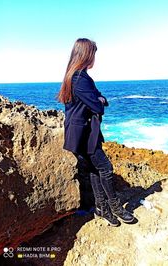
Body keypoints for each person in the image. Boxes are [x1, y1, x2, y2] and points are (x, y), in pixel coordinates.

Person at [57, 38, 134, 226]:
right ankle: (115, 208)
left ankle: (101, 208)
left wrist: (99, 99)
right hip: (84, 134)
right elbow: (97, 105)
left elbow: (99, 98)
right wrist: (98, 100)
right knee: (105, 168)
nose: (94, 59)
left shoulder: (77, 76)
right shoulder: (79, 79)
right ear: (86, 55)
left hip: (82, 133)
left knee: (94, 169)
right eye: (93, 54)